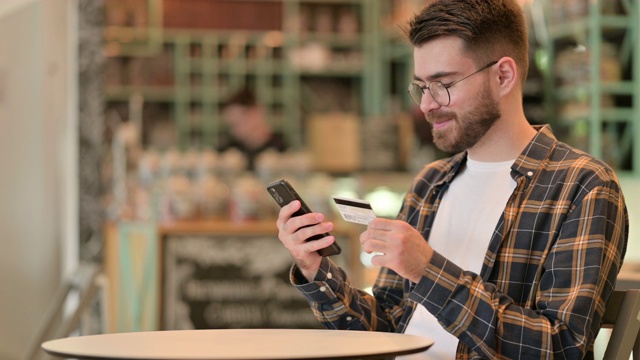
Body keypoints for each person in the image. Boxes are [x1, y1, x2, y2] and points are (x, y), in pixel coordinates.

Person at [275, 0, 629, 359]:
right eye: (421, 87)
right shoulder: (430, 183)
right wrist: (316, 268)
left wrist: (429, 270)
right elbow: (384, 331)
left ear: (503, 76)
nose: (426, 105)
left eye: (442, 84)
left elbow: (560, 348)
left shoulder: (582, 185)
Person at [218, 86, 287, 171]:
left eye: (238, 123)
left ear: (256, 112)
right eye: (231, 125)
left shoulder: (282, 149)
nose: (234, 130)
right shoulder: (230, 150)